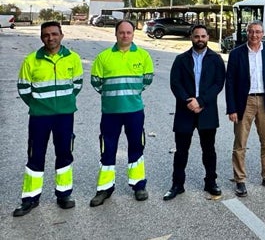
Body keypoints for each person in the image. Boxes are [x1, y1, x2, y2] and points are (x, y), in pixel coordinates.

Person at [13, 21, 83, 217]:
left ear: (61, 35)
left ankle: (64, 195)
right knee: (35, 155)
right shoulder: (31, 60)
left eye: (54, 34)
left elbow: (77, 85)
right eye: (46, 35)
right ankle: (30, 198)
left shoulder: (73, 59)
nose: (50, 38)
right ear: (41, 37)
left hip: (64, 116)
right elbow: (24, 88)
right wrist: (38, 105)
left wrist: (64, 103)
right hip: (39, 117)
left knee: (64, 153)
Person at [90, 19, 154, 206]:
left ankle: (138, 185)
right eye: (121, 32)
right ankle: (105, 188)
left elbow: (147, 80)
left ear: (133, 34)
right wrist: (113, 96)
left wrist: (130, 95)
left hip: (134, 111)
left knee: (136, 146)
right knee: (107, 148)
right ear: (115, 34)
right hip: (110, 112)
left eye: (129, 32)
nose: (125, 35)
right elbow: (96, 82)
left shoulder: (143, 56)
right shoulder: (103, 57)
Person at [163, 24, 226, 200]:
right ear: (191, 37)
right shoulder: (181, 59)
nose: (200, 39)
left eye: (203, 36)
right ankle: (177, 184)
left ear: (208, 38)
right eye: (197, 36)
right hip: (185, 110)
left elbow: (218, 83)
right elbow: (175, 83)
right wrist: (188, 101)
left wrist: (201, 101)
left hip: (207, 111)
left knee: (209, 150)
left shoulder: (216, 59)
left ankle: (211, 182)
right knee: (181, 151)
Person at [225, 21, 265, 195]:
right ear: (246, 33)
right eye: (251, 32)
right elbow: (230, 83)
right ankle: (240, 179)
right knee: (240, 143)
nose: (254, 35)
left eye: (258, 32)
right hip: (245, 102)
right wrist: (232, 108)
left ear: (263, 34)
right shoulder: (236, 54)